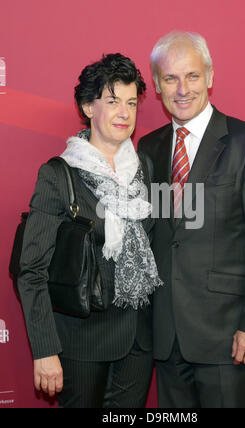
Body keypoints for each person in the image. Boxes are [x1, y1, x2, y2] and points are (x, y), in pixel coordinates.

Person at [138, 31, 245, 408]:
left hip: (229, 338)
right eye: (170, 78)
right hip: (168, 337)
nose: (182, 88)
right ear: (157, 85)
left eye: (191, 76)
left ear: (209, 77)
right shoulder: (150, 147)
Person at [18, 53, 163, 408]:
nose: (124, 113)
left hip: (138, 341)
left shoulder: (143, 166)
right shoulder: (59, 174)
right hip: (80, 341)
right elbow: (31, 270)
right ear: (87, 106)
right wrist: (45, 350)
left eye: (131, 103)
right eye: (113, 102)